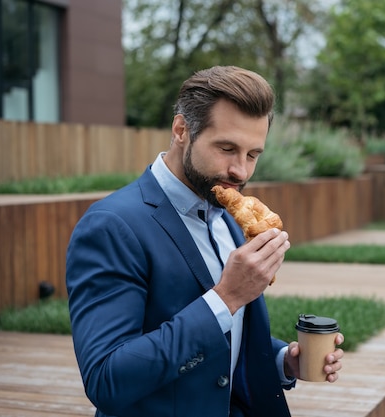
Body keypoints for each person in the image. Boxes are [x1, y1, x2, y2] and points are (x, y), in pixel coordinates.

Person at [66, 65, 344, 417]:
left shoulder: (225, 214)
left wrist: (282, 361)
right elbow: (108, 379)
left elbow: (225, 341)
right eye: (227, 148)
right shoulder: (111, 226)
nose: (240, 171)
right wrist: (226, 297)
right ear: (182, 130)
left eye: (253, 155)